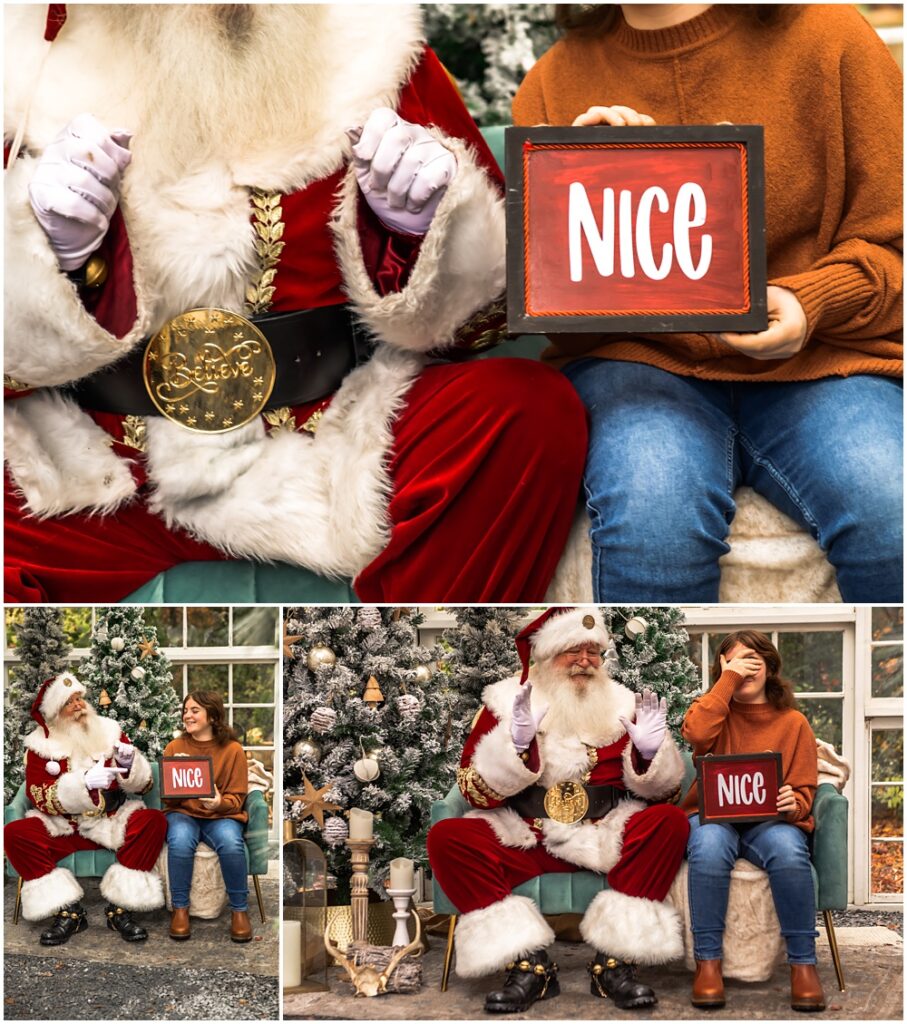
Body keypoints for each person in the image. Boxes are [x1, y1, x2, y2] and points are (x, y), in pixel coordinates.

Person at [4, 4, 587, 604]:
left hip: (330, 435)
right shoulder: (23, 65)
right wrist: (51, 259)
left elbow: (490, 318)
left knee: (526, 413)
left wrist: (419, 235)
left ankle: (400, 674)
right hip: (103, 458)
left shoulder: (376, 45)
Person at [512, 3, 902, 603]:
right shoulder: (551, 82)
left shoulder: (832, 36)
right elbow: (544, 303)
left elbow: (892, 239)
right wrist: (581, 189)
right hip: (639, 367)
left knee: (890, 507)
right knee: (651, 524)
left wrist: (811, 302)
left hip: (825, 361)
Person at [427, 607, 689, 1012]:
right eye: (572, 650)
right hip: (527, 837)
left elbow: (664, 796)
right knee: (448, 836)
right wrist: (514, 747)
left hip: (605, 837)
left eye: (594, 652)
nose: (585, 661)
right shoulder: (503, 702)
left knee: (668, 823)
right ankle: (529, 965)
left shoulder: (623, 704)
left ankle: (614, 965)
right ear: (546, 656)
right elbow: (474, 792)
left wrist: (649, 756)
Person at [680, 630, 824, 1012]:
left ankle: (803, 966)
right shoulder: (712, 712)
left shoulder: (794, 723)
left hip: (769, 823)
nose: (744, 665)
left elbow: (804, 791)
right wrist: (727, 682)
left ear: (769, 667)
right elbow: (695, 733)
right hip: (712, 818)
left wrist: (794, 802)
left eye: (753, 658)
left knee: (790, 848)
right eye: (734, 660)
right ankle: (707, 965)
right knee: (709, 845)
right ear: (722, 669)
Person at [4, 672, 167, 944]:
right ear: (55, 712)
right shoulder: (39, 746)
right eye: (70, 702)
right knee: (14, 833)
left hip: (109, 822)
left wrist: (130, 767)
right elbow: (37, 795)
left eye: (79, 698)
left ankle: (120, 909)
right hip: (63, 827)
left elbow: (143, 785)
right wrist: (82, 785)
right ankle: (68, 912)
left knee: (154, 821)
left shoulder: (109, 730)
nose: (79, 705)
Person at [163, 692, 251, 943]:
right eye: (186, 710)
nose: (187, 715)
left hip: (221, 815)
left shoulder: (233, 750)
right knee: (179, 841)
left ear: (212, 716)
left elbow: (237, 798)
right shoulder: (175, 747)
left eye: (195, 710)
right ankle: (180, 910)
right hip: (184, 814)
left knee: (232, 843)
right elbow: (168, 801)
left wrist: (218, 803)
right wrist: (176, 776)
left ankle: (239, 910)